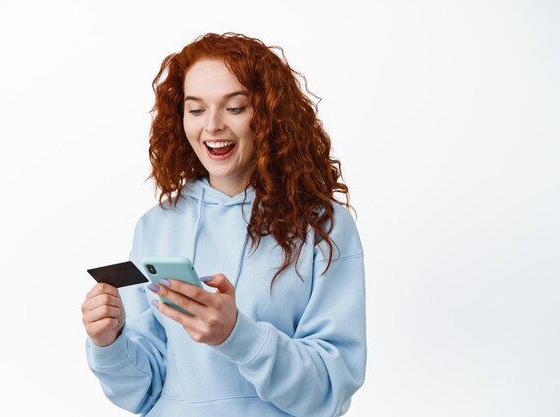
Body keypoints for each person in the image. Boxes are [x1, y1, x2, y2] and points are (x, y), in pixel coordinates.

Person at [81, 32, 366, 417]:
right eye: (196, 110)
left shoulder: (323, 226)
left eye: (234, 108)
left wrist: (236, 335)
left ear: (267, 116)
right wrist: (108, 341)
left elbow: (328, 393)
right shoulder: (156, 225)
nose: (212, 126)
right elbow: (143, 392)